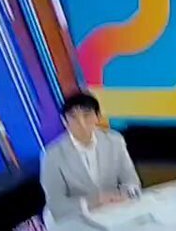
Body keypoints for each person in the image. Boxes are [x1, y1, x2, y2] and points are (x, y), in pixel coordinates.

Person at [40, 91, 142, 220]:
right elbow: (56, 205)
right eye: (73, 117)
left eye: (86, 115)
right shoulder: (52, 154)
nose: (81, 123)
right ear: (64, 121)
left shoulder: (115, 141)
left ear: (97, 117)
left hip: (113, 210)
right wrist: (93, 201)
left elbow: (132, 181)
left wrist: (125, 194)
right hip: (74, 218)